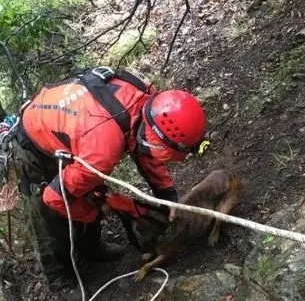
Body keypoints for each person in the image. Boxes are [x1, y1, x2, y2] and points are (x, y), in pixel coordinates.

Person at [11, 66, 206, 300]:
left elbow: (144, 149)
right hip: (34, 148)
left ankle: (90, 248)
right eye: (165, 155)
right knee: (51, 216)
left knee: (93, 190)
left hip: (75, 134)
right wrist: (92, 213)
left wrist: (167, 195)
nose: (162, 159)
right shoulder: (102, 148)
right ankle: (59, 278)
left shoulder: (145, 101)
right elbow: (54, 198)